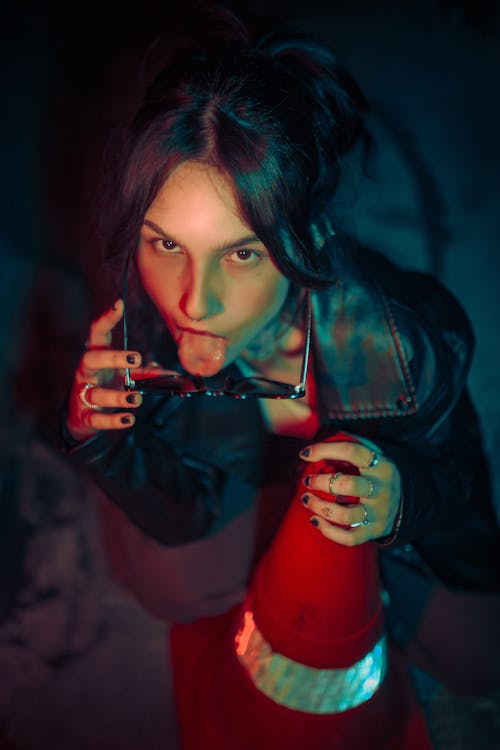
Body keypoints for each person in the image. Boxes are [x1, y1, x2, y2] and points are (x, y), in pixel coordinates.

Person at [61, 0, 500, 743]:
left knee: (480, 658)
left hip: (390, 531)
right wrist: (102, 436)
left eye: (241, 253)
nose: (194, 301)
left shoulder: (403, 343)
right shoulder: (145, 324)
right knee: (170, 584)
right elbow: (180, 509)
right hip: (250, 488)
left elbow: (462, 493)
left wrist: (402, 504)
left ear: (309, 239)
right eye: (165, 244)